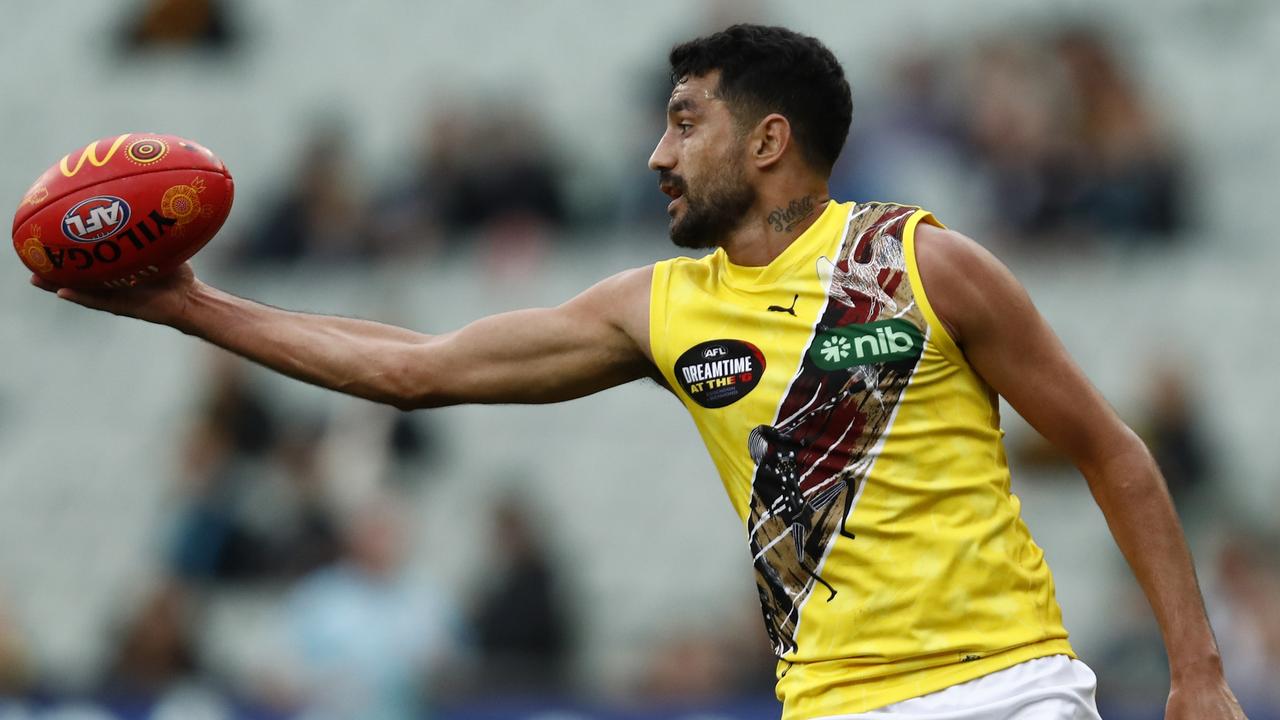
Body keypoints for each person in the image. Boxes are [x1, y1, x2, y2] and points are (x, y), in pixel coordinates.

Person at [32, 24, 1245, 720]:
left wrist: (1195, 673)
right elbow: (417, 371)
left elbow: (1110, 451)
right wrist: (194, 309)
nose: (654, 153)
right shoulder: (656, 312)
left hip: (1005, 690)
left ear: (767, 141)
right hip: (823, 706)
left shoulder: (925, 263)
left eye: (682, 121)